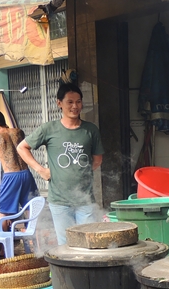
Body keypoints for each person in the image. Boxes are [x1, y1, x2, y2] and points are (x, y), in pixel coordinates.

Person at [17, 83, 104, 245]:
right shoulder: (49, 129)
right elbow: (22, 147)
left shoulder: (90, 130)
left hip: (85, 200)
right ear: (59, 103)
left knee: (90, 244)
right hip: (59, 201)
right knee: (66, 245)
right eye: (70, 102)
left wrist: (81, 171)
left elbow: (97, 159)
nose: (75, 106)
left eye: (78, 101)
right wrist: (40, 170)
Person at [0, 110, 39, 231]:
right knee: (30, 209)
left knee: (3, 212)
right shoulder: (19, 132)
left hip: (10, 176)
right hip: (26, 174)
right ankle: (35, 243)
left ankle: (1, 249)